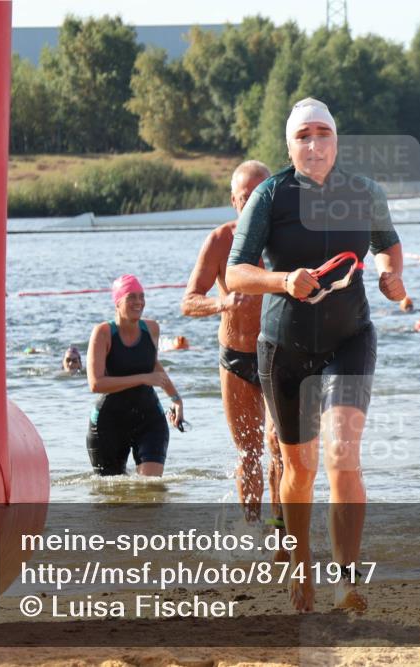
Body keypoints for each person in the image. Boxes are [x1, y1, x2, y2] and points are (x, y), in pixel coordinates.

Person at [226, 97, 406, 613]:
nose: (314, 144)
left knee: (342, 457)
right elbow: (237, 273)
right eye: (303, 136)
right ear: (290, 145)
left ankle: (348, 579)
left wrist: (393, 277)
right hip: (283, 346)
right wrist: (283, 280)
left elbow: (388, 246)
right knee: (299, 469)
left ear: (336, 140)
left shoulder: (364, 192)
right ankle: (301, 566)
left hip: (349, 338)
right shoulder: (269, 195)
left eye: (322, 134)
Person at [182, 160, 286, 531]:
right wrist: (221, 303)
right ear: (233, 200)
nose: (251, 206)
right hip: (235, 356)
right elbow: (189, 301)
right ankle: (251, 530)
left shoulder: (286, 239)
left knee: (278, 446)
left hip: (279, 355)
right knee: (249, 453)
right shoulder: (220, 240)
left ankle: (281, 530)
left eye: (258, 197)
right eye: (244, 198)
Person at [86, 275, 184, 477]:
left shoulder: (152, 329)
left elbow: (152, 364)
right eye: (132, 297)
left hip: (148, 418)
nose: (139, 302)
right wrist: (142, 378)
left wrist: (175, 398)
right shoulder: (103, 333)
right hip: (108, 423)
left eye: (142, 296)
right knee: (111, 496)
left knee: (151, 488)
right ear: (118, 301)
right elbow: (96, 384)